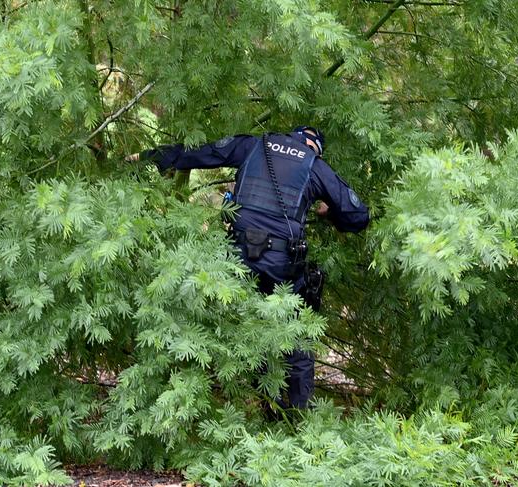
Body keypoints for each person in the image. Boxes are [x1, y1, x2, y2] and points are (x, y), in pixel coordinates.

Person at [126, 126, 369, 409]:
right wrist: (331, 214)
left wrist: (146, 156)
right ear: (313, 146)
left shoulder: (254, 146)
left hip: (237, 259)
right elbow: (358, 216)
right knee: (298, 333)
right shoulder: (313, 164)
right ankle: (299, 416)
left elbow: (201, 153)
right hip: (281, 265)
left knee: (250, 328)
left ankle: (264, 403)